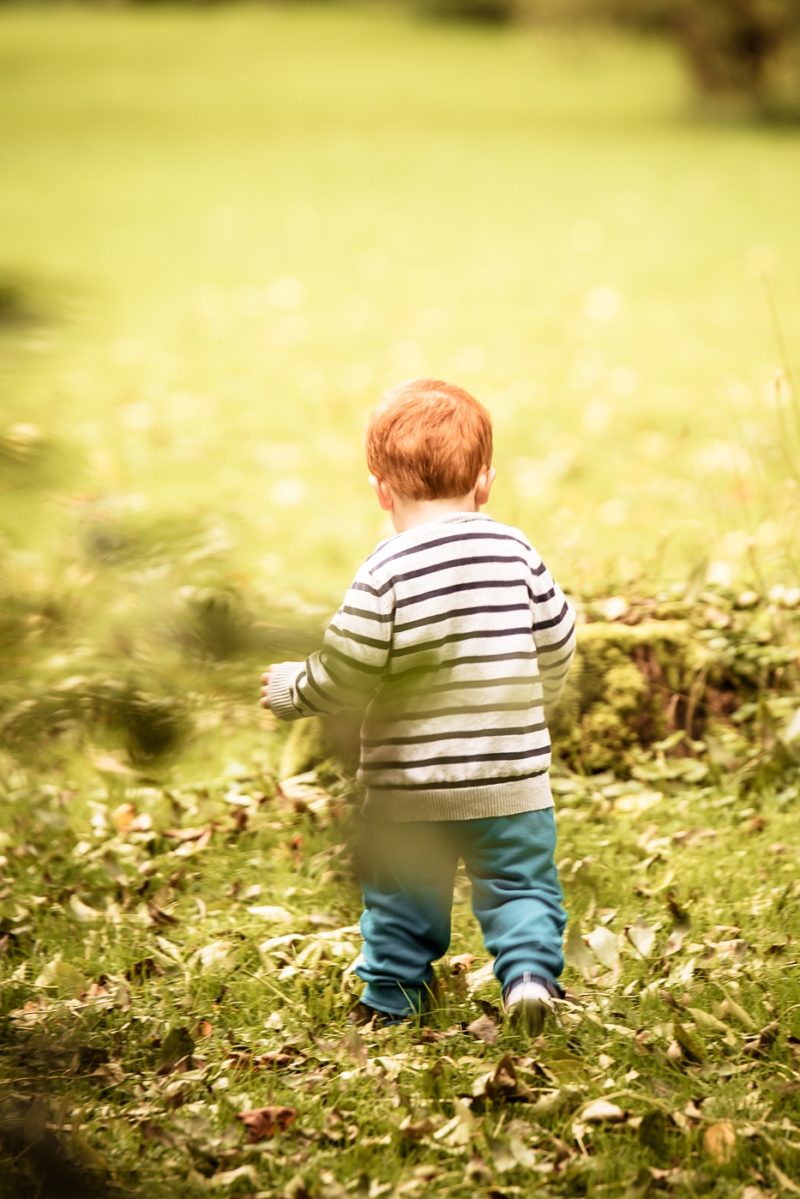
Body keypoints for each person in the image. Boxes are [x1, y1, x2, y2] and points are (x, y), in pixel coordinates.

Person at [261, 379, 576, 1033]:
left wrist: (295, 689)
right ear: (484, 482)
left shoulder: (385, 570)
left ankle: (392, 999)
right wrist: (540, 694)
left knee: (401, 899)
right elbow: (560, 637)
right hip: (513, 782)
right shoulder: (517, 551)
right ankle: (527, 979)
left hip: (410, 793)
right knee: (521, 887)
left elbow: (347, 670)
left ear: (381, 490)